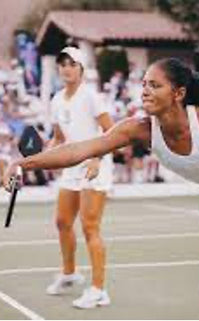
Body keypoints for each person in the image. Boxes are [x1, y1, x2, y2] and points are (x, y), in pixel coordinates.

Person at [4, 58, 199, 319]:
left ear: (178, 93)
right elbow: (82, 149)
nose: (144, 90)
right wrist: (23, 164)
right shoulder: (139, 129)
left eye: (155, 85)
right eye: (143, 84)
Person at [39, 47, 115, 309]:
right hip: (71, 168)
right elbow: (59, 138)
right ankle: (70, 274)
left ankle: (98, 290)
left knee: (90, 227)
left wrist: (96, 158)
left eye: (72, 64)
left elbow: (111, 132)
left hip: (96, 165)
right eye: (62, 64)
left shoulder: (91, 97)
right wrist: (46, 155)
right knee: (62, 222)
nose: (66, 68)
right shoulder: (57, 100)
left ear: (81, 69)